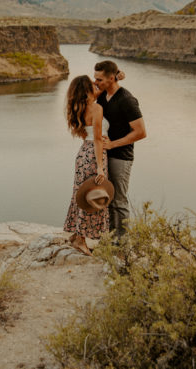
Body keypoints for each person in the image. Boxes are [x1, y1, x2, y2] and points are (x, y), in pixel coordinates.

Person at [93, 60, 146, 241]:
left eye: (99, 79)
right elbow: (88, 95)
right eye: (95, 79)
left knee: (119, 201)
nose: (96, 82)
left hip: (121, 157)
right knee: (105, 199)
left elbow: (141, 132)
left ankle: (124, 244)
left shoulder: (127, 100)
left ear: (110, 78)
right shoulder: (102, 96)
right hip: (105, 155)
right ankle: (109, 239)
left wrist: (113, 144)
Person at [63, 75, 109, 256]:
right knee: (92, 195)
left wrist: (111, 81)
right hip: (94, 155)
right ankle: (81, 240)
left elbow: (88, 135)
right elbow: (97, 139)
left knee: (81, 194)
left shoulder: (79, 108)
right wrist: (100, 167)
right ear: (87, 90)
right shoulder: (96, 108)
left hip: (83, 154)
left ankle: (76, 235)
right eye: (93, 84)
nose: (96, 85)